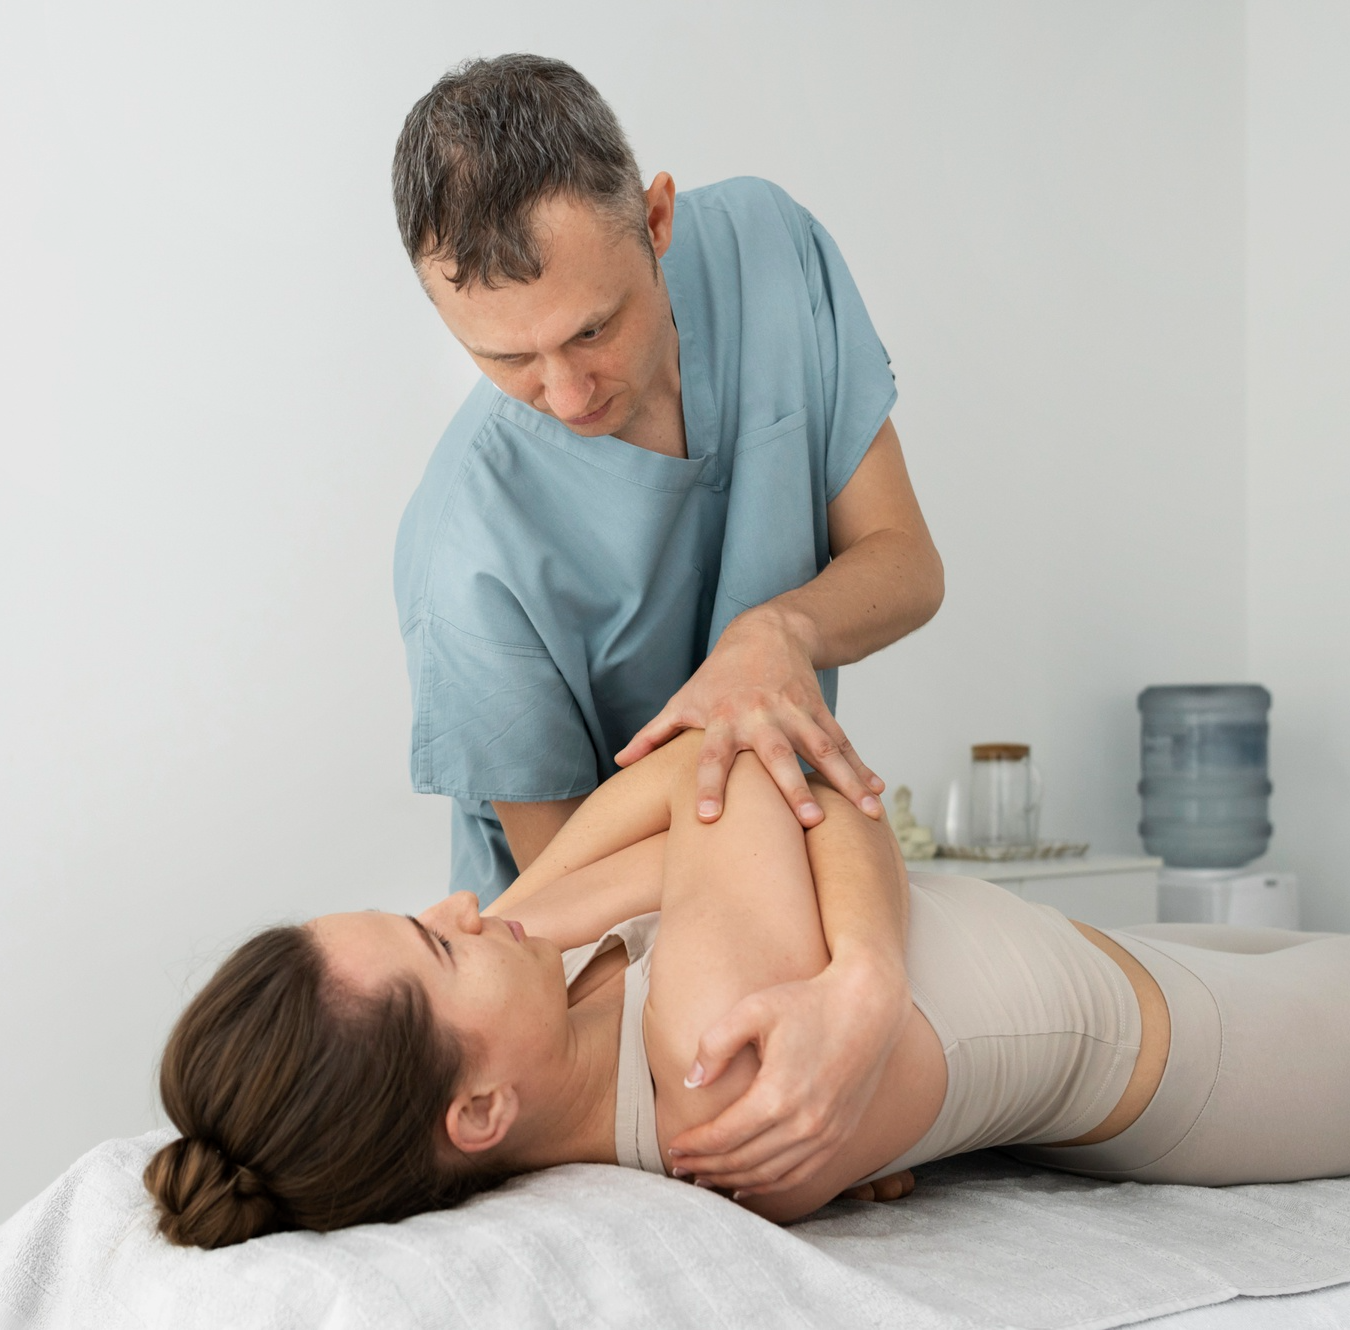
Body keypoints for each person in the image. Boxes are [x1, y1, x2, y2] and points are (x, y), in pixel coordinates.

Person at [142, 734, 1350, 1247]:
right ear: (474, 1109)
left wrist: (515, 930)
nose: (461, 900)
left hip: (1140, 976)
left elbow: (703, 776)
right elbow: (749, 757)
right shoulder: (701, 1045)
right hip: (1250, 1061)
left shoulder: (556, 1016)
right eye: (430, 944)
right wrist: (635, 874)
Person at [389, 53, 943, 1197]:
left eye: (592, 331)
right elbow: (580, 916)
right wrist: (815, 1028)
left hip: (813, 870)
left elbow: (905, 567)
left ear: (655, 221)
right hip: (608, 1002)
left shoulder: (772, 255)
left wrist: (775, 633)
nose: (567, 391)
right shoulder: (464, 559)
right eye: (504, 359)